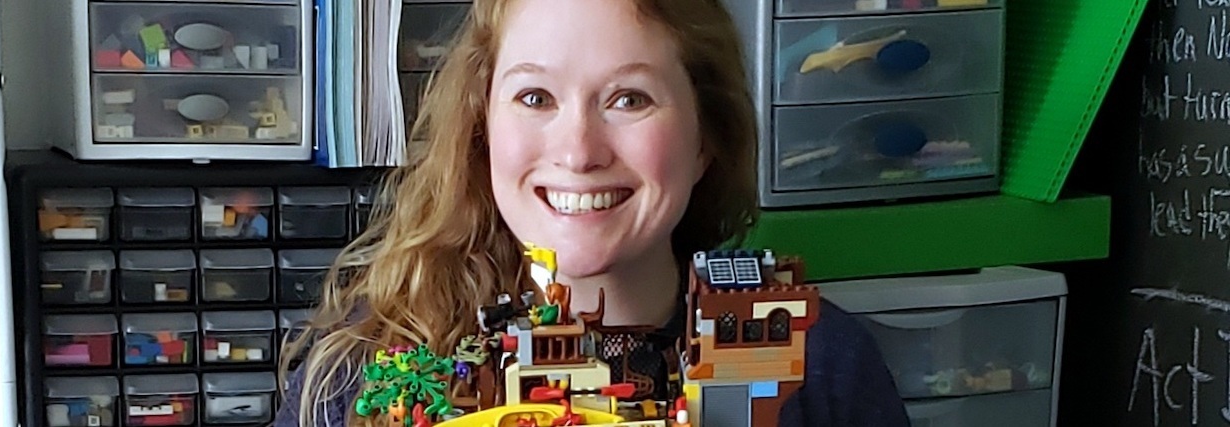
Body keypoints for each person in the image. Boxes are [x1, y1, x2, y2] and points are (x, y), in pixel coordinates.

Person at [274, 0, 910, 426]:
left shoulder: (814, 361)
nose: (579, 151)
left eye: (630, 98)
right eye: (535, 96)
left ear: (705, 139)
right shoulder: (363, 371)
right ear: (481, 127)